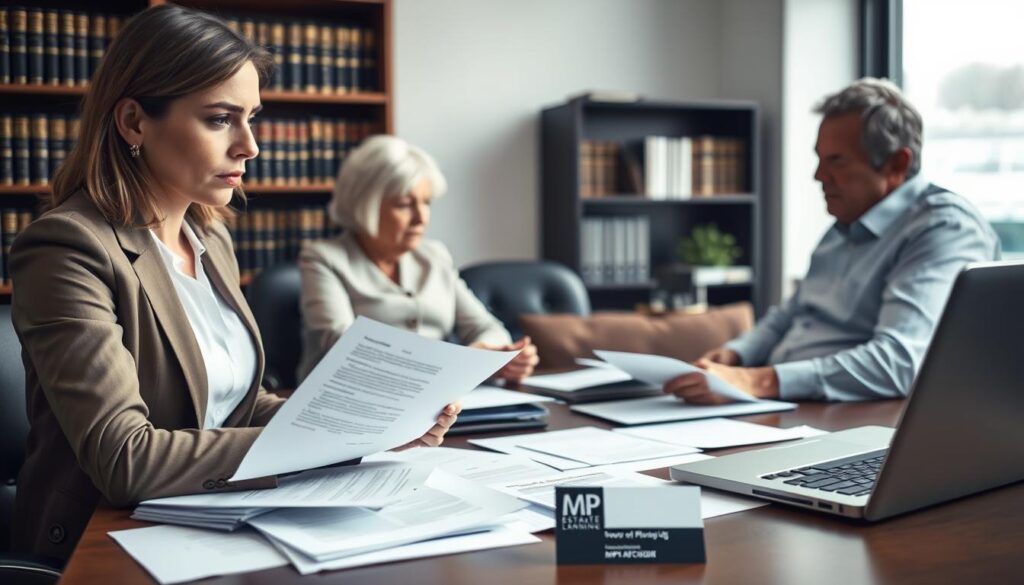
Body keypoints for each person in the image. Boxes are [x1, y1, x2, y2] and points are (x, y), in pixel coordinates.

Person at [8, 5, 459, 563]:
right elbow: (125, 458)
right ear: (133, 123)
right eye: (221, 119)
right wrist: (326, 444)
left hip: (214, 517)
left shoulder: (209, 237)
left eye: (252, 117)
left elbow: (237, 407)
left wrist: (374, 425)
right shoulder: (66, 249)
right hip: (102, 543)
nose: (251, 146)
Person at [665, 78, 1000, 404]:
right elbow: (789, 315)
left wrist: (757, 381)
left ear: (898, 164)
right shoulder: (844, 226)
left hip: (849, 419)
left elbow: (899, 363)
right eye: (819, 158)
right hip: (787, 403)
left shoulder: (943, 229)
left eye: (836, 161)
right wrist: (736, 355)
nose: (818, 175)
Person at [296, 135, 539, 383]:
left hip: (437, 405)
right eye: (404, 205)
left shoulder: (434, 256)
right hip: (353, 401)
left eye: (426, 202)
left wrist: (500, 356)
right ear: (364, 205)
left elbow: (487, 327)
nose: (421, 218)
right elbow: (341, 344)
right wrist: (458, 362)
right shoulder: (323, 258)